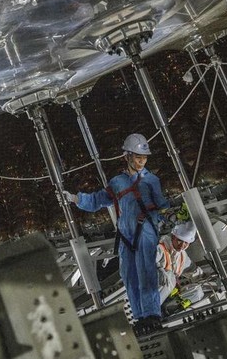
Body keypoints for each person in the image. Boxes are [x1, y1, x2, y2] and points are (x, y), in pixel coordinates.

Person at [63, 133, 169, 332]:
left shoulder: (151, 180)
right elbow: (98, 200)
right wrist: (76, 199)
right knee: (129, 276)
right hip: (125, 236)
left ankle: (152, 315)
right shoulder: (118, 182)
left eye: (144, 158)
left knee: (146, 273)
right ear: (127, 156)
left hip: (145, 232)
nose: (141, 161)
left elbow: (162, 205)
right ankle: (140, 317)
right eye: (138, 157)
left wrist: (164, 217)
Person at [156, 220, 203, 308]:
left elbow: (193, 270)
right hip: (150, 285)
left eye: (186, 243)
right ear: (173, 237)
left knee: (198, 291)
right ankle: (152, 308)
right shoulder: (160, 246)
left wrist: (207, 276)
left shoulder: (182, 256)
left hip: (166, 292)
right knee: (170, 276)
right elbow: (148, 261)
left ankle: (169, 309)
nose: (182, 245)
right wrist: (159, 269)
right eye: (180, 241)